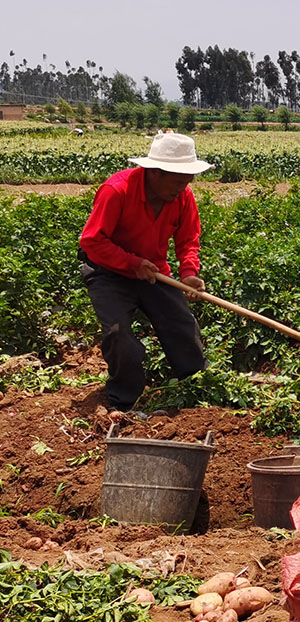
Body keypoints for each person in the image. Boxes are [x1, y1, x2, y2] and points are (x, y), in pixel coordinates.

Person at [78, 131, 214, 412]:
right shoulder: (117, 190)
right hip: (108, 271)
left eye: (187, 181)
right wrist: (131, 264)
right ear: (155, 172)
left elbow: (188, 240)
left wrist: (188, 273)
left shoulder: (183, 197)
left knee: (181, 324)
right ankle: (123, 401)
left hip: (153, 271)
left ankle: (195, 387)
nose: (183, 188)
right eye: (177, 181)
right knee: (118, 335)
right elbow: (92, 241)